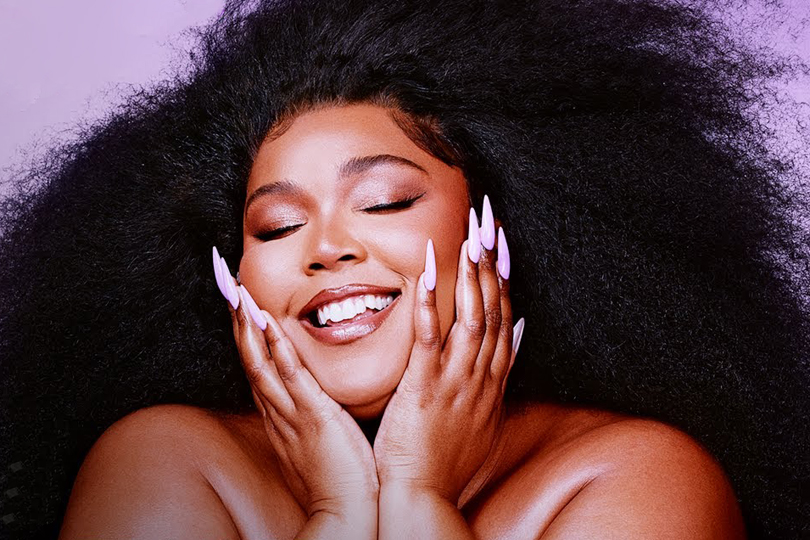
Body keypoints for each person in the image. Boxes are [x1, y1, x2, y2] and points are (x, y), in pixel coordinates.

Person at [0, 0, 807, 538]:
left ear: (493, 231)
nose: (326, 247)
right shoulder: (169, 462)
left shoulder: (632, 477)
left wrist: (419, 499)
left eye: (384, 202)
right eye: (277, 225)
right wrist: (338, 514)